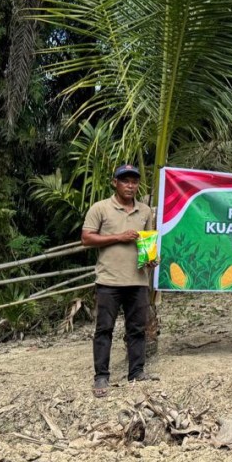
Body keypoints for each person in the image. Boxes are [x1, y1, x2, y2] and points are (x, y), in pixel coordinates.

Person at [81, 164, 158, 398]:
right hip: (109, 280)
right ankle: (101, 376)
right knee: (104, 329)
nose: (130, 185)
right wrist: (119, 237)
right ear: (115, 183)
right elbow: (86, 238)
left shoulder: (144, 211)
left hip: (137, 282)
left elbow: (146, 242)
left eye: (134, 181)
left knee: (136, 329)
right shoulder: (101, 208)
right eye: (125, 181)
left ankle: (136, 372)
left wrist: (151, 259)